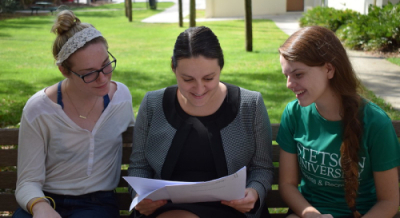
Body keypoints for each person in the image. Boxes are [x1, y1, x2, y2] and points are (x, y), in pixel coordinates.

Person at [128, 26, 274, 218]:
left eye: (209, 78)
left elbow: (262, 168)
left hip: (231, 209)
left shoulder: (250, 105)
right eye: (187, 79)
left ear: (220, 67)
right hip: (166, 208)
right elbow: (139, 166)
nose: (199, 89)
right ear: (173, 67)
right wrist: (140, 198)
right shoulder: (152, 104)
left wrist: (254, 192)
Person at [13, 10, 134, 218]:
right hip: (44, 199)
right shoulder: (38, 110)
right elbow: (27, 181)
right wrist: (41, 207)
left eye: (106, 65)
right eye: (89, 73)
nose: (103, 78)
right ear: (64, 71)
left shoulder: (121, 98)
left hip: (97, 204)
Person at [277, 25, 400, 218]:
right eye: (287, 76)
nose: (289, 84)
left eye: (298, 74)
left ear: (329, 69)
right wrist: (311, 214)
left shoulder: (375, 122)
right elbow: (287, 184)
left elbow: (389, 201)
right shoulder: (293, 114)